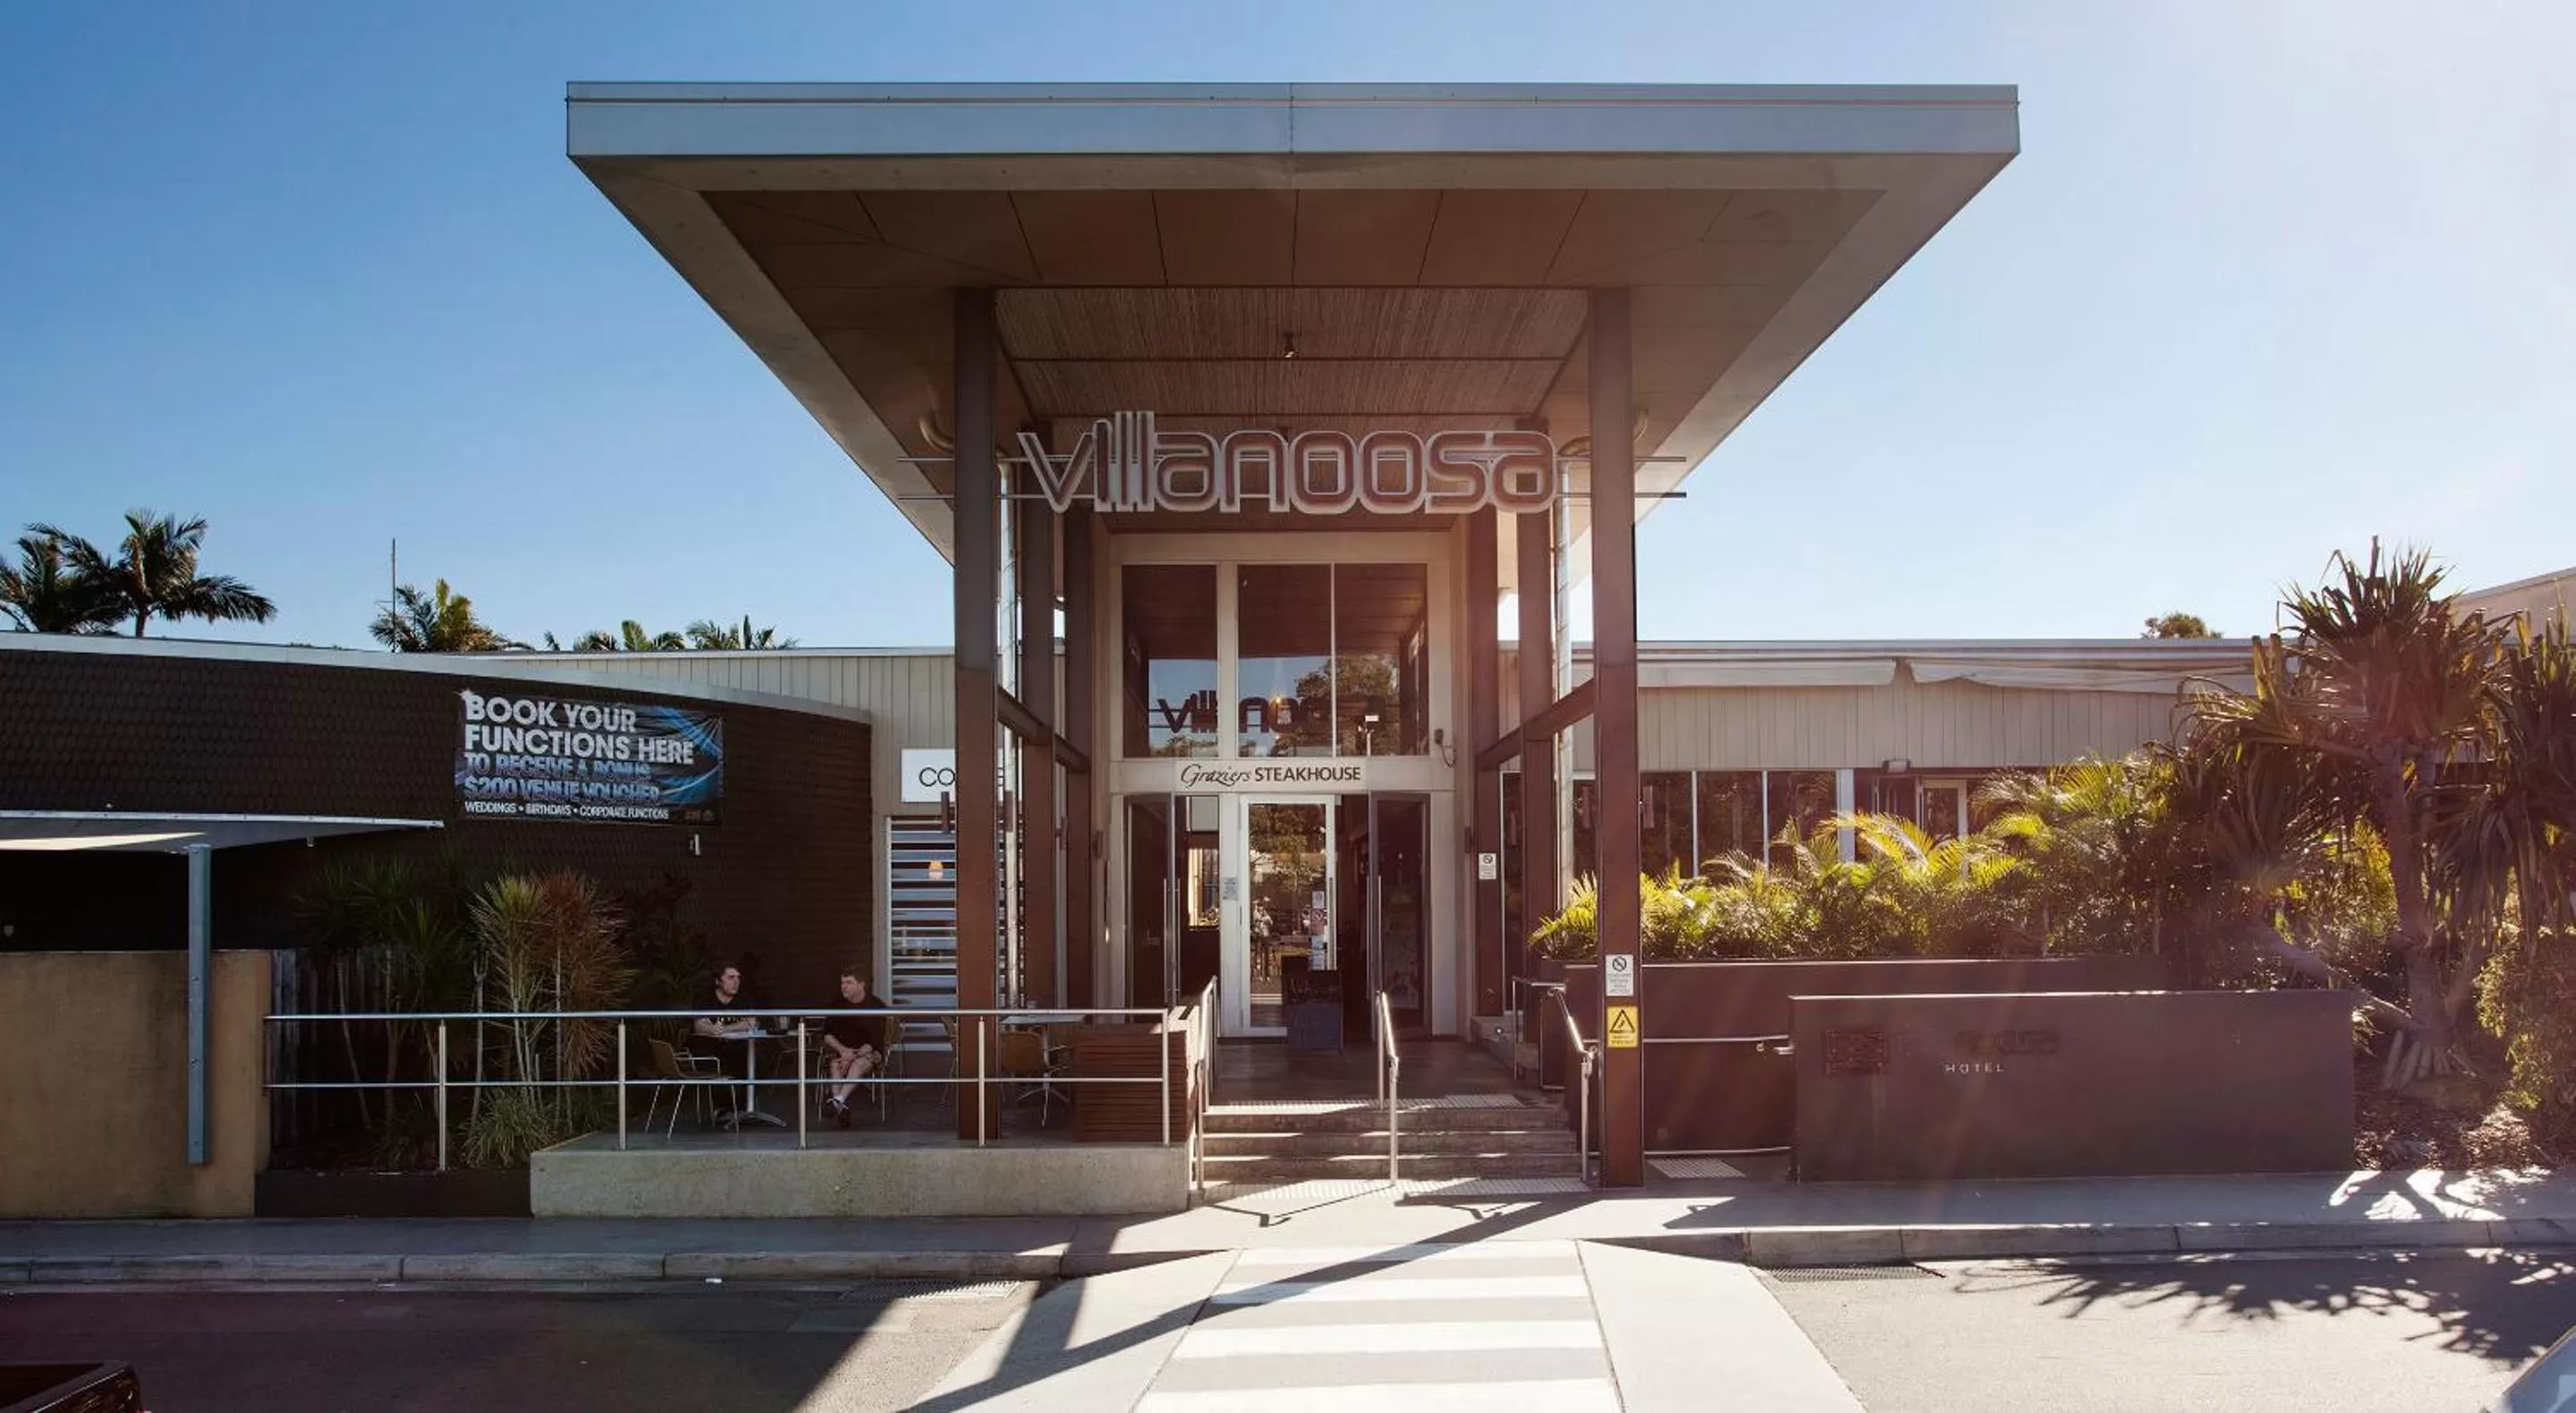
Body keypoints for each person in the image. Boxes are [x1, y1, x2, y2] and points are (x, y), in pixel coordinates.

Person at [820, 968, 891, 1128]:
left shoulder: (876, 1005)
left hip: (869, 1053)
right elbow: (827, 1035)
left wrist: (853, 1054)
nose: (844, 987)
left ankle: (837, 1101)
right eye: (842, 983)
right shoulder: (836, 1004)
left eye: (849, 982)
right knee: (835, 1064)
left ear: (861, 985)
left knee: (859, 1063)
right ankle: (840, 1105)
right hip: (842, 1052)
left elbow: (875, 1040)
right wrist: (844, 1051)